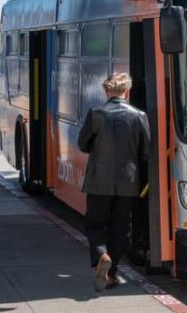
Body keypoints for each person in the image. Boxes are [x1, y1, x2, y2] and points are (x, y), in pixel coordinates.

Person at [76, 72, 150, 292]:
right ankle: (112, 272)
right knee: (119, 227)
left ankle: (102, 255)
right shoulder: (139, 116)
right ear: (127, 91)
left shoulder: (96, 114)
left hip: (99, 180)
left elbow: (82, 144)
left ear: (107, 91)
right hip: (128, 181)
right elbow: (146, 151)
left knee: (95, 223)